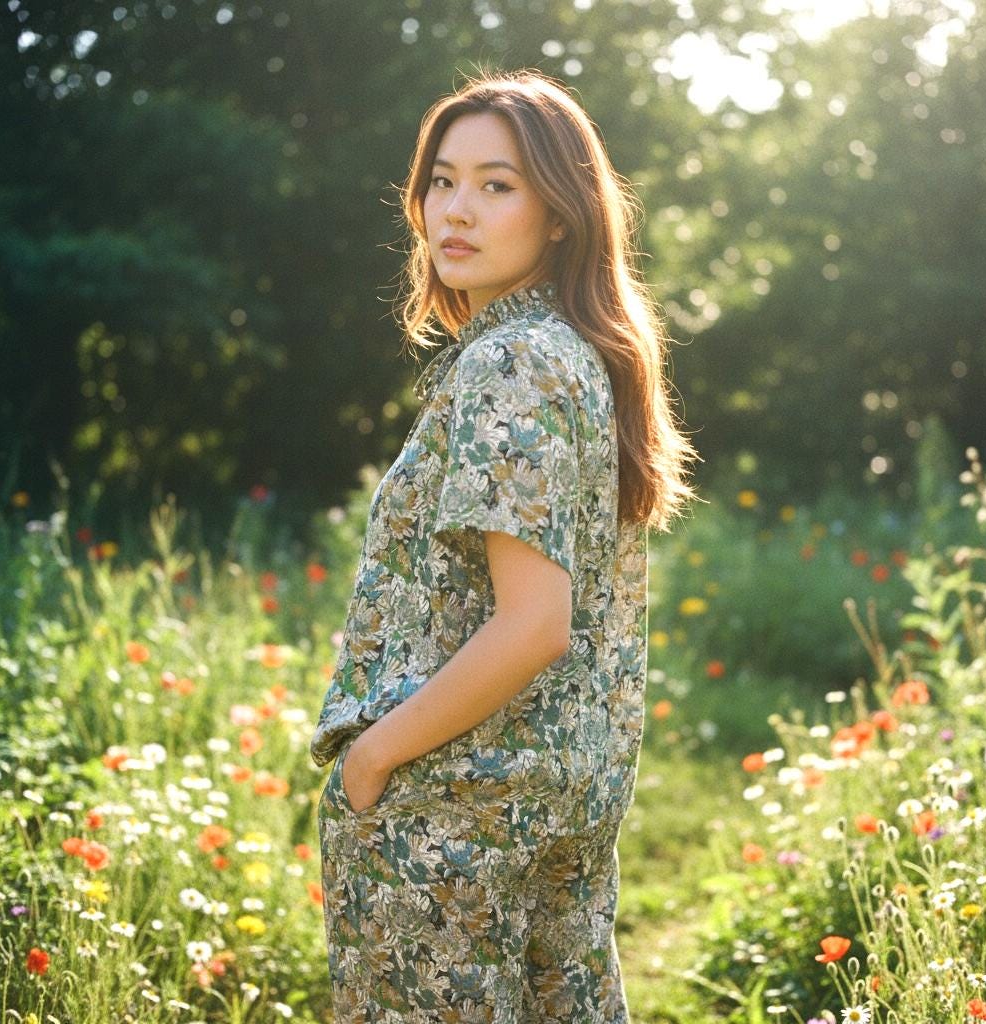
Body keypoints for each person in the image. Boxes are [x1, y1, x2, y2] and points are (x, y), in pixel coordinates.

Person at [310, 67, 702, 1023]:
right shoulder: (567, 351)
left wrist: (372, 761)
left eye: (498, 184)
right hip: (548, 802)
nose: (457, 210)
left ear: (560, 213)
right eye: (442, 181)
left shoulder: (514, 363)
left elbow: (535, 626)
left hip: (451, 815)